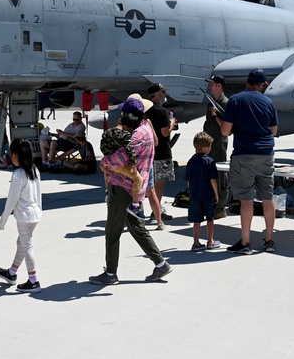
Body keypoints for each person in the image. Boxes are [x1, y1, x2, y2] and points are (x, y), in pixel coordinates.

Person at [89, 97, 172, 285]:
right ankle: (161, 264)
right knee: (137, 228)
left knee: (112, 231)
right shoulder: (146, 128)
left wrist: (104, 163)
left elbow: (119, 159)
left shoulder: (137, 135)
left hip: (123, 187)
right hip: (135, 188)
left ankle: (110, 273)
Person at [221, 68, 279, 254]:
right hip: (266, 154)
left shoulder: (235, 100)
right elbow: (274, 131)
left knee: (246, 199)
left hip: (244, 154)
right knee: (267, 197)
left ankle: (245, 242)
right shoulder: (268, 102)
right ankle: (269, 240)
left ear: (247, 81)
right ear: (262, 85)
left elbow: (225, 131)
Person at [0, 138, 43, 291]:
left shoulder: (18, 175)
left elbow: (11, 201)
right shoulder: (35, 170)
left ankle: (33, 280)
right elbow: (39, 195)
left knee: (26, 245)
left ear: (16, 155)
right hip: (34, 214)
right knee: (21, 243)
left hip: (24, 216)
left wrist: (3, 220)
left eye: (11, 154)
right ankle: (12, 272)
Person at [145, 83, 178, 227]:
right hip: (162, 151)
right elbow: (165, 132)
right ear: (157, 95)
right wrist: (172, 123)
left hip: (148, 152)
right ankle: (156, 210)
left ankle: (155, 209)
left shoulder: (145, 111)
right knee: (159, 183)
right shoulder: (162, 112)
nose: (164, 96)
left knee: (150, 183)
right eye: (162, 93)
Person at [185, 132, 220, 251]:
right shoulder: (209, 161)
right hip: (208, 194)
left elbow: (188, 179)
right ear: (205, 148)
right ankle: (210, 241)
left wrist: (190, 191)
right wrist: (216, 194)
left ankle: (196, 243)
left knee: (196, 220)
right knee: (210, 218)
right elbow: (213, 180)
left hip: (195, 195)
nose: (210, 148)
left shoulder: (191, 161)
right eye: (210, 146)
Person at [203, 74, 230, 218]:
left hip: (219, 141)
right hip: (210, 140)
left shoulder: (225, 103)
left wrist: (215, 116)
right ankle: (213, 201)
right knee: (209, 172)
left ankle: (221, 206)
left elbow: (226, 127)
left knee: (220, 172)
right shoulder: (211, 102)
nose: (210, 86)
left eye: (212, 84)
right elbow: (207, 123)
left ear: (219, 85)